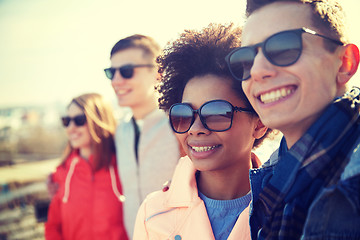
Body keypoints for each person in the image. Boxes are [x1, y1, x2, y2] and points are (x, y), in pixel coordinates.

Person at [225, 0, 360, 239]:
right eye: (246, 59)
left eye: (283, 48)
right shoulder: (272, 176)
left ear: (345, 63)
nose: (256, 70)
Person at [133, 23, 272, 240]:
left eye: (217, 112)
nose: (195, 129)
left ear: (260, 123)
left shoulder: (288, 208)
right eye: (184, 114)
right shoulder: (153, 214)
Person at [104, 34, 181, 237]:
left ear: (158, 73)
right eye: (112, 72)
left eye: (127, 71)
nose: (116, 81)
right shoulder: (120, 132)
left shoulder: (180, 124)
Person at [45, 93, 128, 239]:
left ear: (98, 121)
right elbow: (53, 226)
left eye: (79, 120)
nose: (70, 128)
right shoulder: (62, 173)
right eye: (66, 121)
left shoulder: (124, 166)